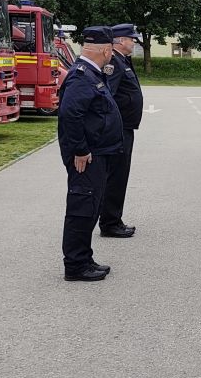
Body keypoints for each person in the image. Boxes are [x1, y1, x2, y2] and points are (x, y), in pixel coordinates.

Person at [58, 26, 125, 282]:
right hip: (87, 156)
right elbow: (70, 115)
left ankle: (84, 258)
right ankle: (75, 265)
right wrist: (80, 149)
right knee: (82, 209)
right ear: (106, 50)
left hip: (98, 153)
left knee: (91, 207)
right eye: (111, 51)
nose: (112, 56)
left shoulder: (91, 74)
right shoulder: (81, 76)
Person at [100, 23, 144, 238]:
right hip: (119, 129)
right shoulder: (114, 63)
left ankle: (113, 219)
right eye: (131, 39)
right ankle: (110, 222)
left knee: (120, 174)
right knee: (116, 176)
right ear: (119, 41)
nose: (133, 42)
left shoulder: (122, 60)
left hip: (125, 127)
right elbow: (108, 96)